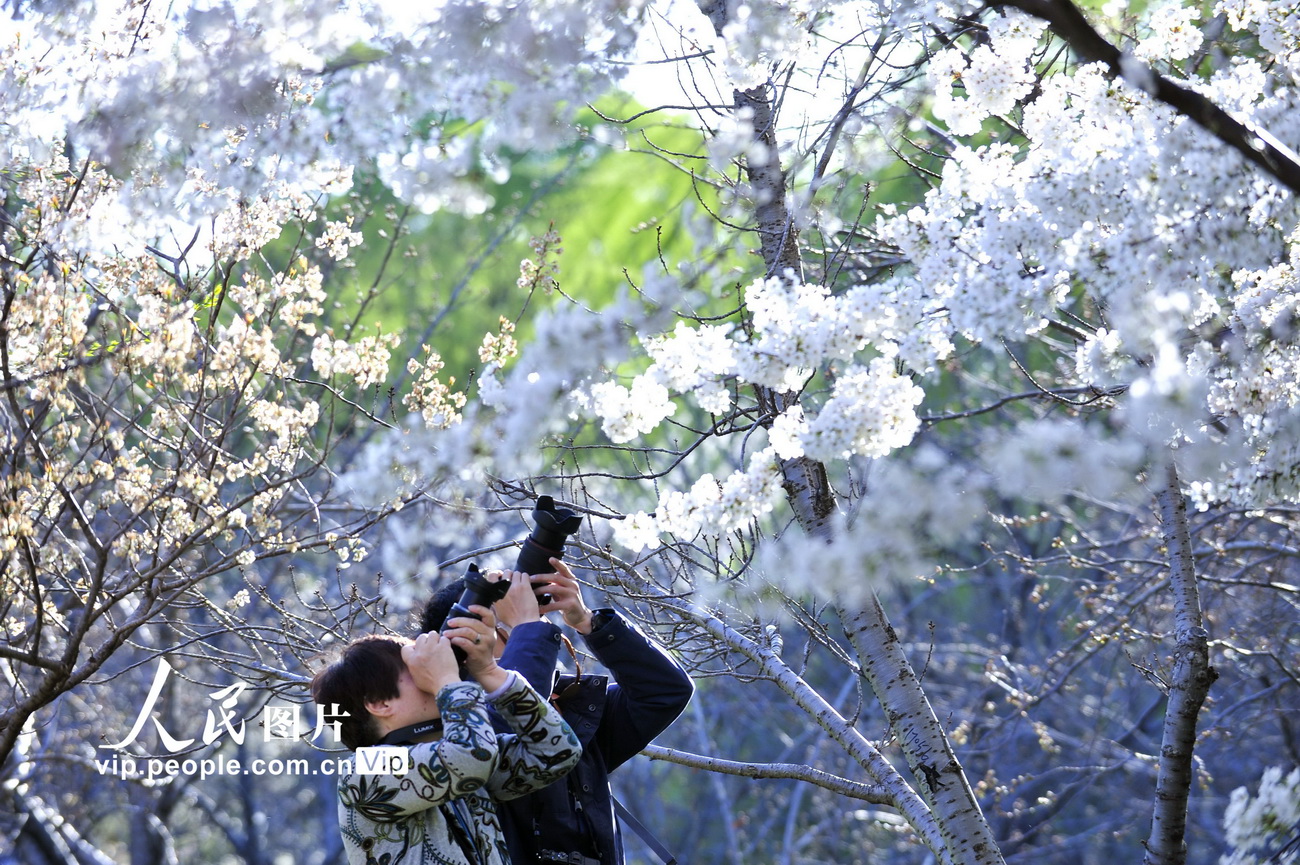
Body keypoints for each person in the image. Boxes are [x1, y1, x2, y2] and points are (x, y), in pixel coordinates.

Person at [419, 560, 694, 865]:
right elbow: (509, 728)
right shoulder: (445, 729)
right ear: (464, 643)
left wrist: (589, 622)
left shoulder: (569, 708)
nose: (535, 624)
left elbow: (665, 692)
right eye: (505, 622)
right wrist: (526, 632)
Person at [311, 596, 582, 865]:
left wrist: (488, 670)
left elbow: (557, 752)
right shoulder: (363, 770)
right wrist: (445, 680)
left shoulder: (454, 758)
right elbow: (469, 758)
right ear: (380, 703)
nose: (428, 671)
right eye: (414, 668)